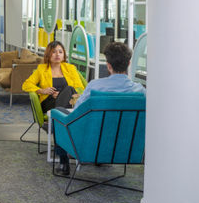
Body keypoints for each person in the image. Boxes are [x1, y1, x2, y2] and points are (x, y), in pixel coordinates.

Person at [52, 41, 144, 175]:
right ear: (129, 63)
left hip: (92, 143)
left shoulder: (95, 86)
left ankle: (63, 164)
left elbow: (77, 112)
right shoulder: (140, 91)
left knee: (57, 113)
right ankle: (102, 158)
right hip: (126, 147)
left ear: (108, 65)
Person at [22, 40, 86, 114]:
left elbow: (79, 87)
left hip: (67, 102)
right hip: (49, 103)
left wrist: (62, 95)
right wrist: (42, 90)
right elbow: (26, 85)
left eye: (60, 52)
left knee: (69, 89)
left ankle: (59, 116)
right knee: (69, 90)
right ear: (48, 55)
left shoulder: (70, 68)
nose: (57, 54)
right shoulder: (41, 69)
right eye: (54, 52)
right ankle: (64, 117)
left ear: (63, 56)